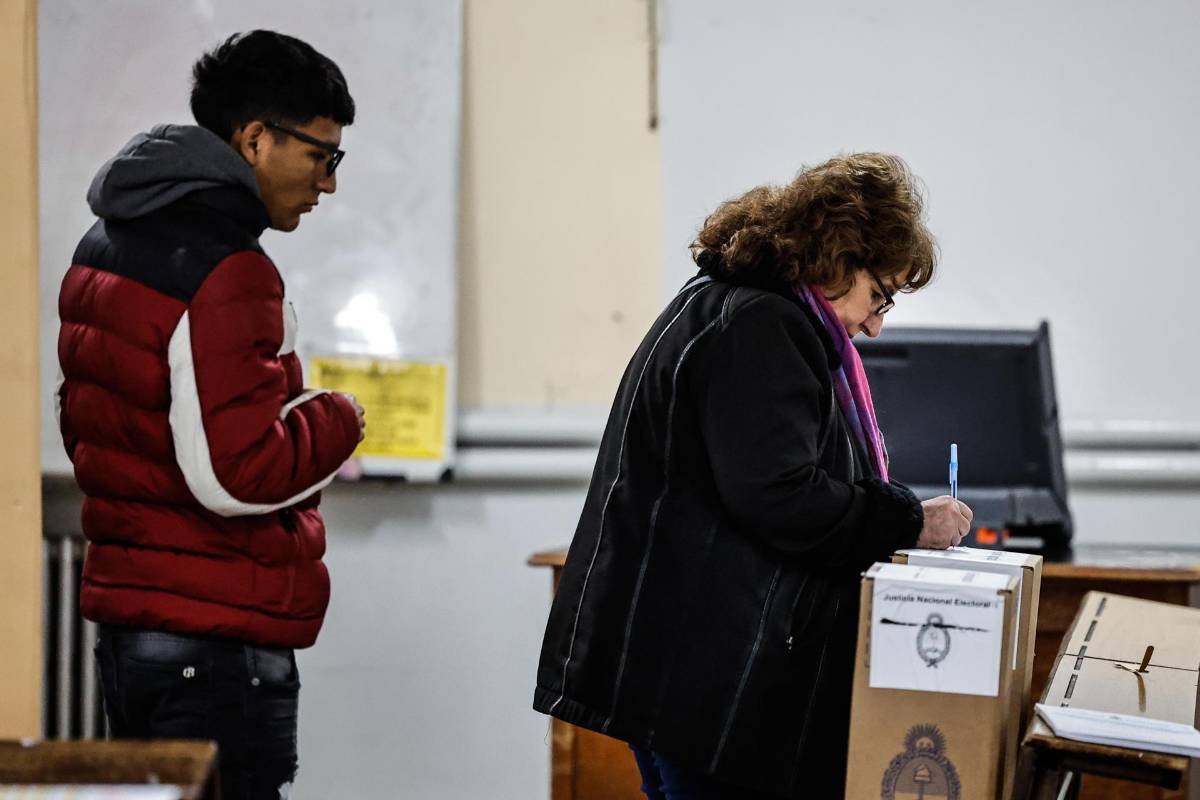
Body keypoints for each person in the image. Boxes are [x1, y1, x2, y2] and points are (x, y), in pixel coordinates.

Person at [534, 153, 973, 799]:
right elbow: (782, 497)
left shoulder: (724, 302)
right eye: (879, 295)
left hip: (674, 664)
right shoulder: (762, 325)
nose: (876, 325)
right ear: (841, 257)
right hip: (701, 676)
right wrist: (908, 519)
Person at [55, 30, 365, 800]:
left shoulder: (109, 241)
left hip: (137, 631)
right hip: (214, 640)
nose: (328, 184)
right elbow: (239, 473)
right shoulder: (226, 267)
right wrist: (339, 417)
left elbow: (96, 427)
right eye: (321, 156)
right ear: (255, 139)